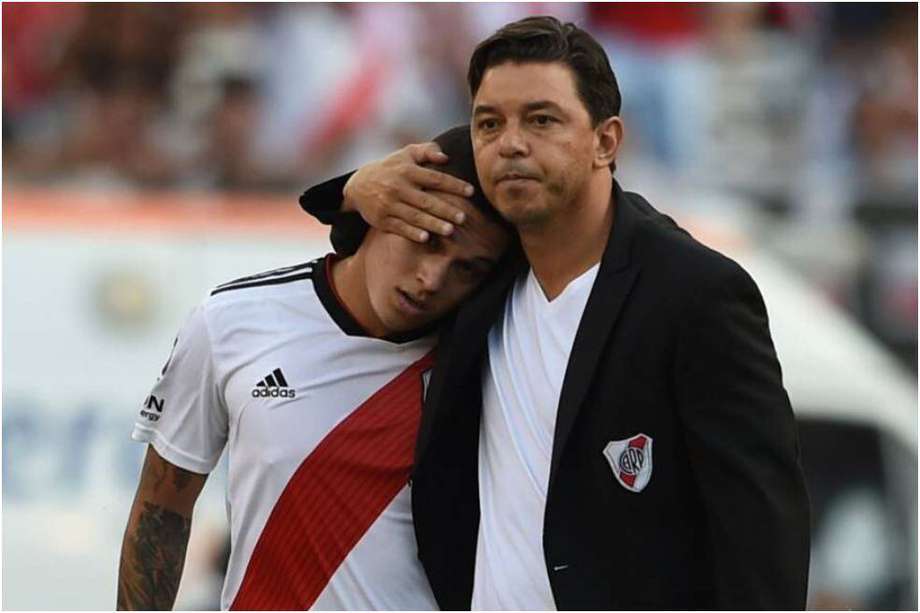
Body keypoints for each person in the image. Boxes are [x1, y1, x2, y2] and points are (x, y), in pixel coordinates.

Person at [299, 15, 811, 610]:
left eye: (542, 120)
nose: (511, 142)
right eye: (490, 123)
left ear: (606, 141)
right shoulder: (480, 279)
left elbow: (762, 541)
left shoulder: (695, 294)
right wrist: (354, 186)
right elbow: (373, 234)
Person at [116, 126, 510, 611]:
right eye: (426, 240)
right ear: (380, 208)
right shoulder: (231, 321)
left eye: (466, 269)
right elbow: (163, 507)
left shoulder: (497, 350)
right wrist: (347, 190)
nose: (432, 280)